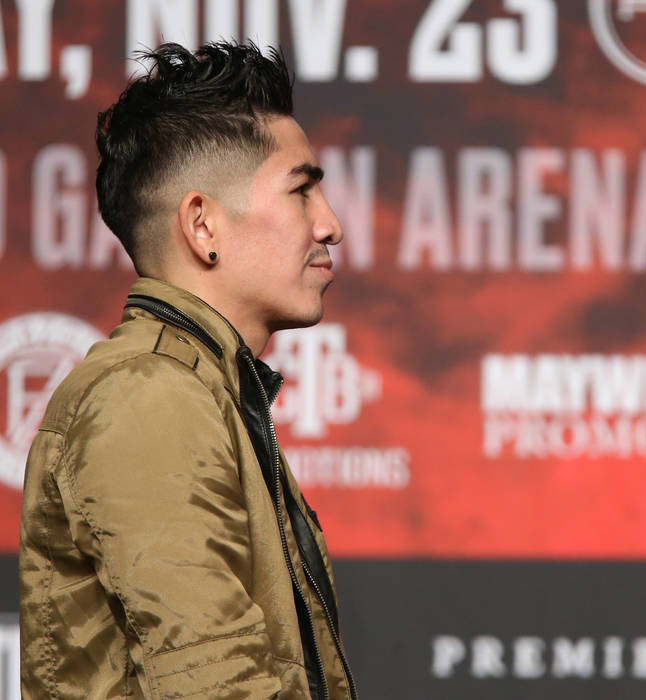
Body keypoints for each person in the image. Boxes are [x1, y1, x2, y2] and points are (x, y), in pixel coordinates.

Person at [19, 42, 357, 699]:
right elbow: (215, 685)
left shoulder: (201, 389)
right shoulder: (148, 397)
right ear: (202, 225)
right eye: (302, 191)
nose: (331, 225)